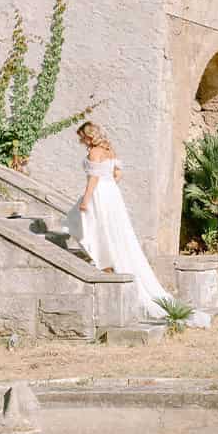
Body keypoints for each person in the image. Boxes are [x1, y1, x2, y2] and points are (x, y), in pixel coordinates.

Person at [64, 122, 166, 321]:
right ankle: (105, 260)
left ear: (88, 136)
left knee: (80, 221)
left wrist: (86, 199)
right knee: (108, 229)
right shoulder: (109, 150)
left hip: (99, 192)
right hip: (111, 193)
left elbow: (93, 178)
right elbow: (118, 173)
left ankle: (104, 262)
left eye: (81, 137)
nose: (80, 141)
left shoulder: (94, 152)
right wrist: (109, 185)